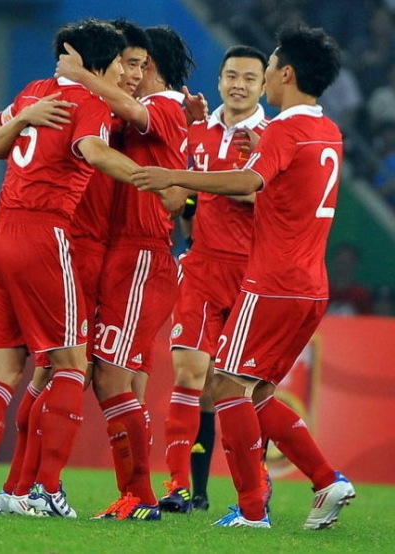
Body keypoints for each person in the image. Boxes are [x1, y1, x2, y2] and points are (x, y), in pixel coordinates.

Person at [132, 23, 356, 530]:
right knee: (254, 394)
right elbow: (283, 185)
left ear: (286, 73)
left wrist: (176, 175)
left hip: (270, 281)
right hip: (310, 286)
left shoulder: (283, 130)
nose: (265, 78)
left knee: (227, 386)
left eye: (269, 69)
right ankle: (325, 480)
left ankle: (253, 511)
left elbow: (248, 181)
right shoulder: (327, 131)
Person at [0, 18, 142, 517]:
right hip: (42, 234)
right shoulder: (92, 104)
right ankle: (43, 493)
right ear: (100, 61)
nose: (126, 70)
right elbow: (92, 150)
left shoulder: (36, 90)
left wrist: (22, 118)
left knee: (2, 370)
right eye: (122, 61)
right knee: (70, 364)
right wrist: (143, 175)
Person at [55, 24, 195, 521]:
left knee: (112, 376)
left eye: (138, 64)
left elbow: (136, 111)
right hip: (122, 256)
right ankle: (135, 493)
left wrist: (79, 74)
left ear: (154, 65)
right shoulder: (154, 115)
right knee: (122, 380)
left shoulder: (164, 106)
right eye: (124, 64)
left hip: (142, 258)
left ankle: (141, 494)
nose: (130, 73)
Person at [156, 45, 271, 514]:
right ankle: (183, 488)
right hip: (202, 265)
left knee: (250, 388)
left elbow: (287, 209)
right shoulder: (197, 133)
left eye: (249, 77)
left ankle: (256, 487)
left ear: (265, 85)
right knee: (190, 374)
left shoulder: (274, 136)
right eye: (230, 75)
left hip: (256, 274)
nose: (238, 84)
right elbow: (179, 199)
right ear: (220, 79)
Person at [327, 242, 373, 315]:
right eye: (340, 262)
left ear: (355, 264)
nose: (342, 267)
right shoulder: (324, 291)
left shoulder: (361, 294)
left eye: (346, 263)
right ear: (333, 262)